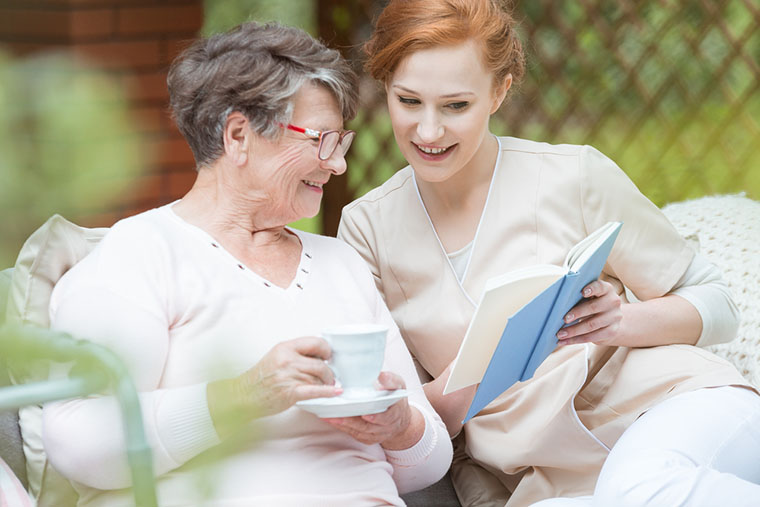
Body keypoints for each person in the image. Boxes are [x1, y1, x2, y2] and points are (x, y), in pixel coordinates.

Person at [337, 0, 760, 505]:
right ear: (384, 88)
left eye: (456, 106)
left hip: (673, 409)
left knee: (641, 486)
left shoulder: (574, 176)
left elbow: (718, 303)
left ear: (499, 92)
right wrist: (483, 366)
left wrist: (619, 322)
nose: (428, 132)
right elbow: (408, 421)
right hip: (545, 480)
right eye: (408, 101)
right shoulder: (365, 230)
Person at [41, 22, 452, 507]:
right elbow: (78, 441)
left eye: (340, 144)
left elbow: (428, 464)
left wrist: (399, 426)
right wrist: (239, 397)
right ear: (239, 135)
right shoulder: (142, 253)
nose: (337, 165)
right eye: (321, 141)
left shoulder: (340, 262)